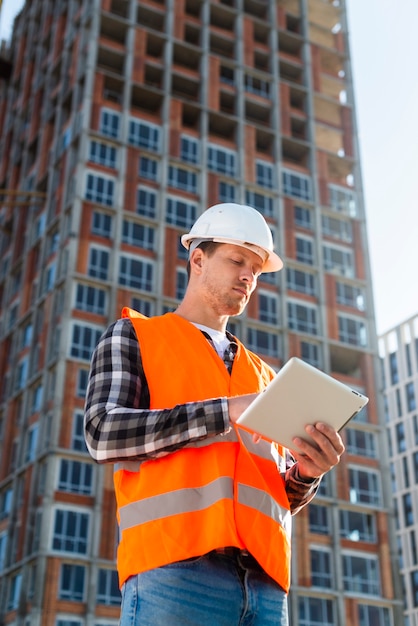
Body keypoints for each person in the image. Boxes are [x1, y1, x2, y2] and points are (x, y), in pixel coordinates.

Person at [84, 202, 345, 626]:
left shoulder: (266, 376)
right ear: (198, 259)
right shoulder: (137, 336)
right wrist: (225, 411)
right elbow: (103, 434)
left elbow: (274, 495)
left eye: (257, 270)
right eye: (238, 260)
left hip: (265, 587)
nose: (249, 277)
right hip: (173, 572)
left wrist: (306, 473)